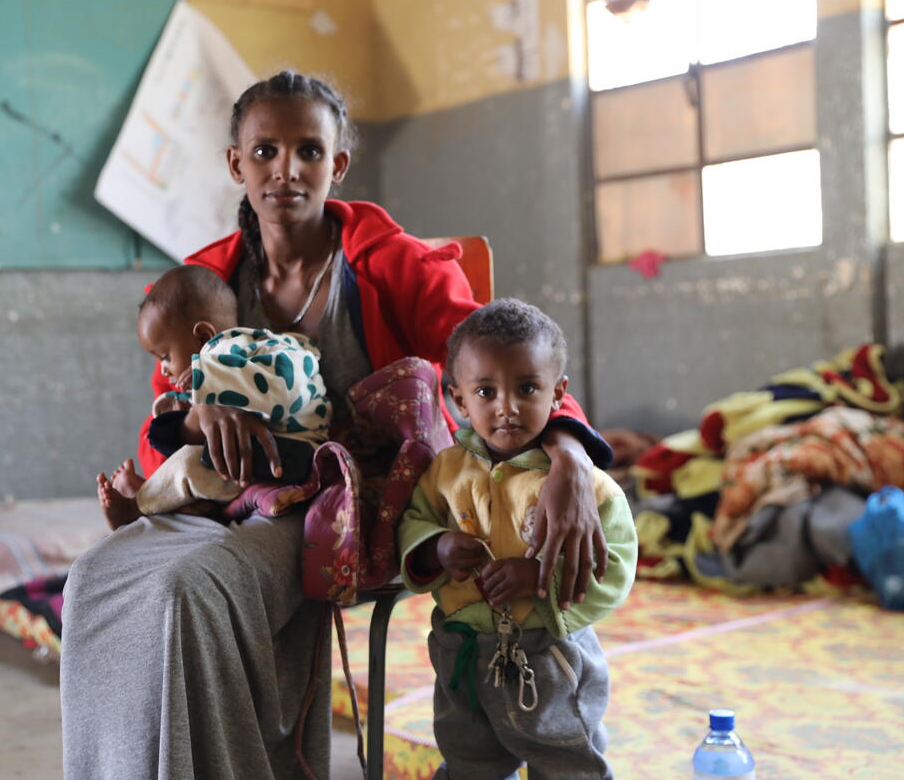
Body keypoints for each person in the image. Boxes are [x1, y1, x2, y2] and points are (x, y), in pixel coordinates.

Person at [61, 70, 613, 780]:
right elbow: (156, 428)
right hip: (229, 498)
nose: (285, 170)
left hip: (352, 508)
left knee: (187, 590)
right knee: (94, 580)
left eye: (309, 151)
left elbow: (504, 367)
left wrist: (569, 456)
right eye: (265, 151)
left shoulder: (392, 264)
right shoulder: (203, 286)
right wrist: (198, 412)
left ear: (338, 164)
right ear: (235, 163)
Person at [397, 299, 637, 780]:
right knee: (469, 760)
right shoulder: (444, 471)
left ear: (557, 393)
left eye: (527, 388)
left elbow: (616, 565)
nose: (506, 407)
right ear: (459, 401)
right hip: (461, 652)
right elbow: (413, 521)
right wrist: (436, 546)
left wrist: (540, 578)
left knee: (566, 761)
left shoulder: (584, 488)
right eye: (485, 391)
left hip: (548, 654)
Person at [95, 264, 331, 530]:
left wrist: (208, 380)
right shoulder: (231, 362)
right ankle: (161, 498)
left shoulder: (241, 350)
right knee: (198, 459)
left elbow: (283, 391)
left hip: (294, 456)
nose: (163, 370)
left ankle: (137, 507)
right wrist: (186, 405)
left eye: (166, 357)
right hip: (268, 459)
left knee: (189, 463)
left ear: (204, 336)